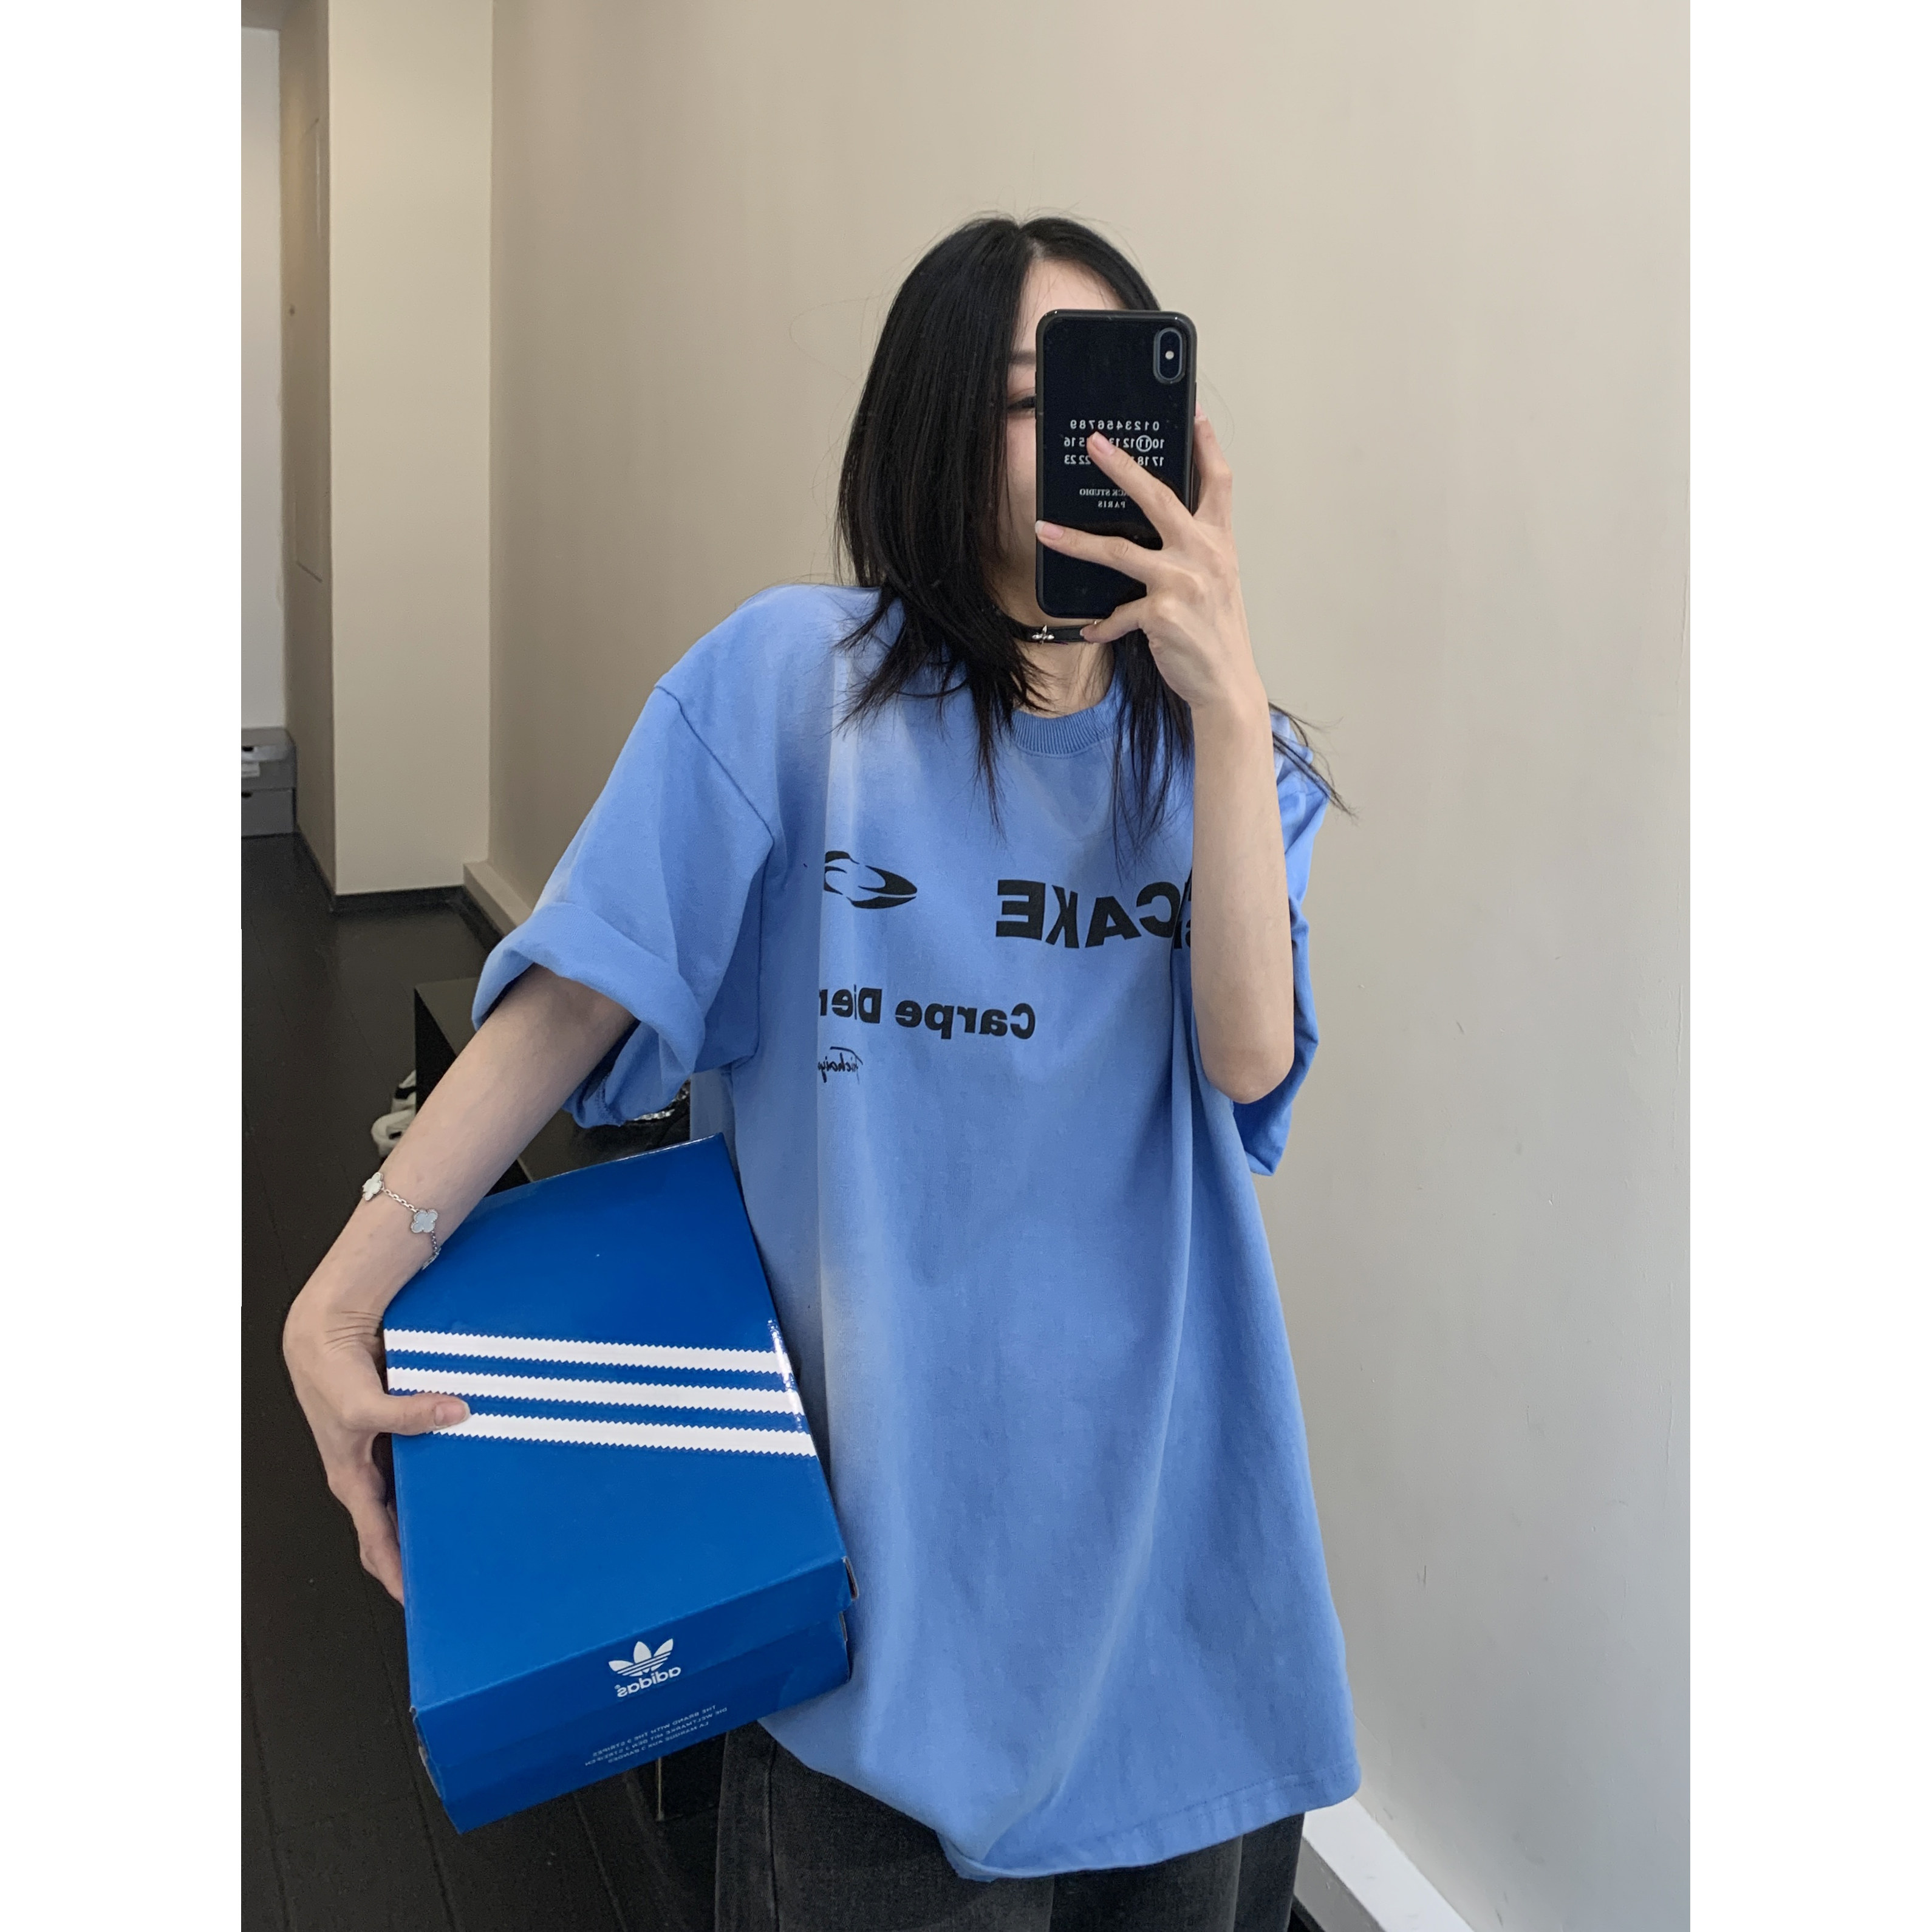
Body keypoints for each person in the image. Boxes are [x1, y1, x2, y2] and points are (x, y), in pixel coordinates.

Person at [283, 214, 1359, 1932]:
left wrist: (1227, 712)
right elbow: (577, 999)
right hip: (881, 1594)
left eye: (1121, 395)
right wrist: (340, 1299)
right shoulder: (799, 686)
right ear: (936, 423)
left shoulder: (1224, 760)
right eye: (1034, 398)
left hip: (1180, 1580)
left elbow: (1248, 1057)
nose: (1087, 446)